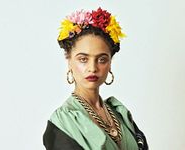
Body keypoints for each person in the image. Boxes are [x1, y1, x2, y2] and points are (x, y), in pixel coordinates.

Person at [43, 7, 148, 150]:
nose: (92, 68)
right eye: (83, 59)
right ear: (69, 61)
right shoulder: (63, 122)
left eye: (102, 59)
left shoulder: (119, 113)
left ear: (110, 63)